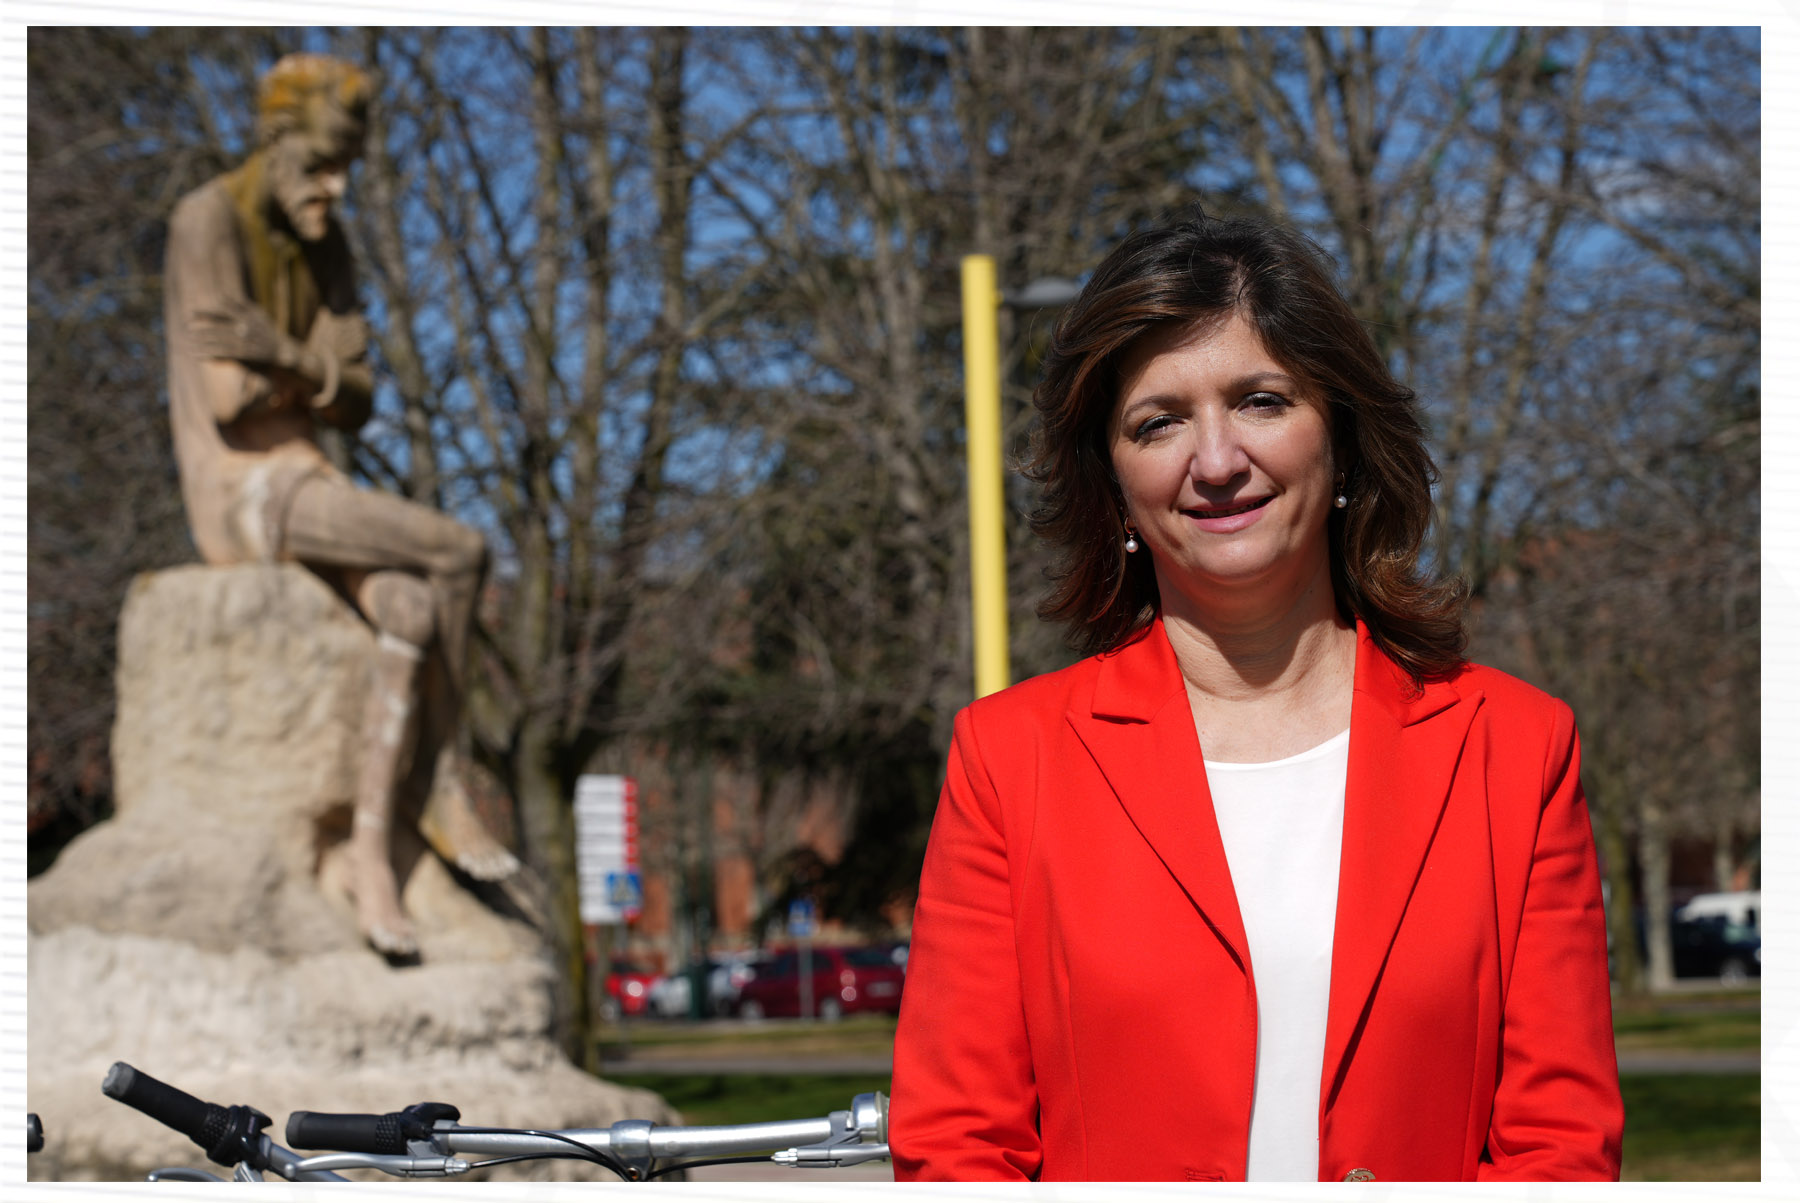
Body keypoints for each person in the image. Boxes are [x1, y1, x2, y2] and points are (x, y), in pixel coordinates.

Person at [889, 211, 1622, 1181]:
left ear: (1344, 436)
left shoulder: (1515, 746)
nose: (1218, 459)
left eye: (1261, 400)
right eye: (1159, 421)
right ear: (1112, 483)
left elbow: (1559, 1151)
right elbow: (957, 1150)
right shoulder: (1009, 758)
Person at [163, 53, 516, 957]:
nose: (336, 183)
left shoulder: (328, 242)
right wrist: (308, 372)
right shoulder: (207, 221)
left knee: (408, 602)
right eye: (321, 160)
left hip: (310, 477)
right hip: (242, 489)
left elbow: (358, 398)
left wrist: (282, 354)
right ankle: (441, 778)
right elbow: (229, 400)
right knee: (460, 548)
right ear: (274, 144)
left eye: (348, 162)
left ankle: (371, 854)